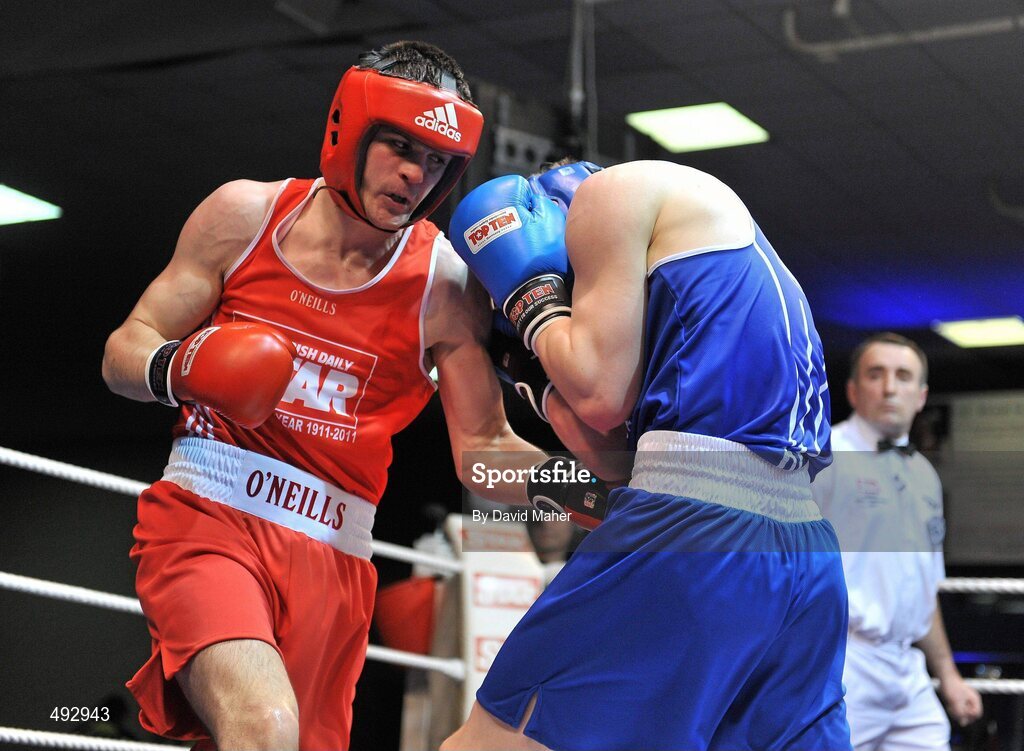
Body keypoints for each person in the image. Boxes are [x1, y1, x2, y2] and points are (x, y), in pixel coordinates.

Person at [101, 41, 558, 751]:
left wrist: (596, 492)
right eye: (401, 147)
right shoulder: (244, 217)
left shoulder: (445, 284)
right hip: (209, 517)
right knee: (265, 726)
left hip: (334, 559)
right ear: (352, 127)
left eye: (437, 160)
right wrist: (183, 364)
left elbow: (485, 452)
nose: (416, 175)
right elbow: (124, 349)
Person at [441, 159, 852, 750]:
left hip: (695, 527)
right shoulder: (714, 270)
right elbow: (617, 468)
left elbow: (600, 395)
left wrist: (535, 308)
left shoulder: (610, 193)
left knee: (490, 744)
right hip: (806, 554)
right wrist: (546, 386)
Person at [812, 332, 983, 750]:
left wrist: (949, 676)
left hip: (907, 665)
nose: (890, 387)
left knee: (933, 738)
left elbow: (925, 595)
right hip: (845, 659)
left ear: (921, 395)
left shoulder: (926, 474)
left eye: (903, 376)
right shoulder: (824, 455)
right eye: (876, 374)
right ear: (853, 390)